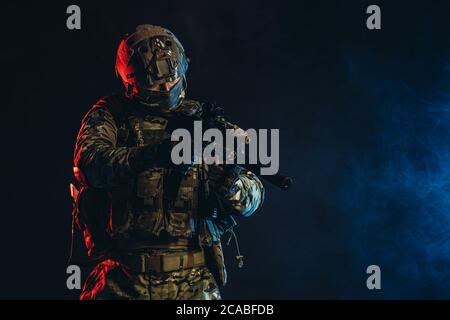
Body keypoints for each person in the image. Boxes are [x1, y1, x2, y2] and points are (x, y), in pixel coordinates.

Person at [72, 24, 265, 300]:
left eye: (172, 81)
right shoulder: (110, 116)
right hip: (122, 280)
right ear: (131, 81)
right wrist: (156, 154)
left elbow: (254, 197)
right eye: (155, 84)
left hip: (193, 283)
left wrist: (228, 182)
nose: (166, 89)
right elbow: (91, 165)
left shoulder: (204, 121)